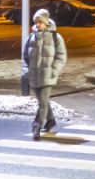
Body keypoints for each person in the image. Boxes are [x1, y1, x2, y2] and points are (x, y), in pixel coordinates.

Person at [22, 8, 67, 140]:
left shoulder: (55, 37)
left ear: (46, 22)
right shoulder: (31, 38)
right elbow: (25, 57)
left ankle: (36, 126)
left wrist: (53, 70)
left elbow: (61, 57)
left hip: (48, 76)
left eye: (40, 21)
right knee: (44, 101)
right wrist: (26, 72)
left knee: (42, 103)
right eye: (36, 22)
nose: (38, 24)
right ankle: (51, 122)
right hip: (34, 76)